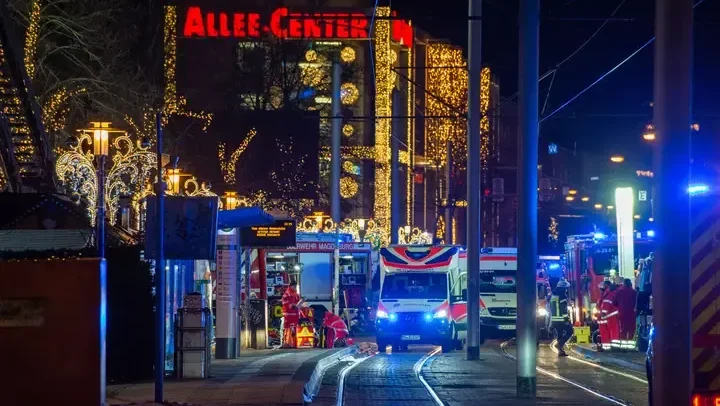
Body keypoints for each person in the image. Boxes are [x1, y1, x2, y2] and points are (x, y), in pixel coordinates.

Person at [548, 278, 574, 356]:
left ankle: (560, 351)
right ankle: (559, 344)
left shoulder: (553, 295)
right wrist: (566, 319)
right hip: (561, 319)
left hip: (554, 319)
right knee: (570, 331)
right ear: (563, 288)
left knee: (560, 334)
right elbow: (563, 309)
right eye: (565, 288)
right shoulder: (562, 295)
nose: (566, 289)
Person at [597, 280, 620, 351]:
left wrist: (602, 314)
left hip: (607, 316)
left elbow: (606, 305)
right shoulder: (611, 293)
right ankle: (611, 346)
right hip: (609, 316)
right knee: (612, 331)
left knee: (607, 332)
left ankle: (608, 347)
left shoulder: (607, 294)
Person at [281, 281, 301, 348]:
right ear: (291, 286)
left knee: (294, 329)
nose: (295, 288)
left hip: (294, 315)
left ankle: (293, 343)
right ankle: (287, 343)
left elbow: (298, 301)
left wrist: (299, 304)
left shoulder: (295, 293)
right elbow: (284, 302)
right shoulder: (287, 293)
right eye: (294, 286)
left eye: (296, 286)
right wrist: (291, 305)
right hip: (288, 315)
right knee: (288, 329)